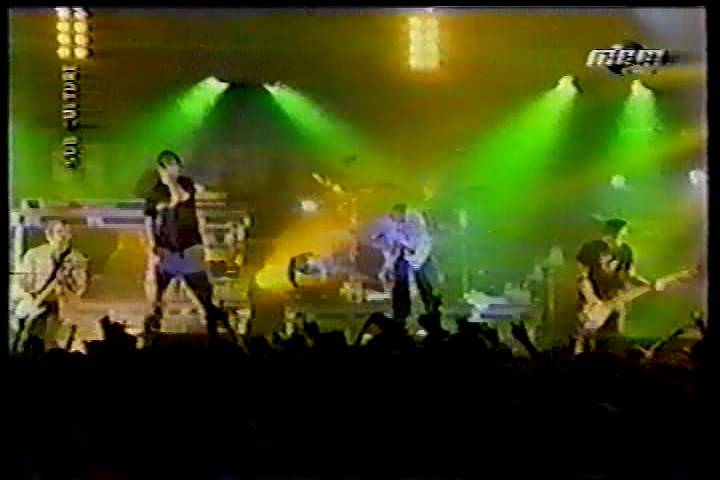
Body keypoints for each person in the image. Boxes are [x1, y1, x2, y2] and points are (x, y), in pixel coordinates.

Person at [143, 150, 236, 343]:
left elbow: (179, 198)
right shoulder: (155, 192)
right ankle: (153, 331)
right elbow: (149, 219)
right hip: (167, 250)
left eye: (177, 166)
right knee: (157, 295)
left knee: (203, 294)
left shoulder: (185, 183)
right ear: (161, 168)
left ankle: (217, 330)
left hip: (190, 249)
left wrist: (171, 182)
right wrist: (153, 244)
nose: (175, 169)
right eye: (171, 166)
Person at [574, 219, 661, 353]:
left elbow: (631, 275)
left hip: (616, 301)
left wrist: (649, 284)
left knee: (613, 341)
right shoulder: (591, 248)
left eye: (622, 235)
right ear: (606, 234)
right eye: (615, 235)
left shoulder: (626, 251)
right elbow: (582, 277)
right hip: (592, 303)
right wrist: (591, 299)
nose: (619, 239)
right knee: (587, 340)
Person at [11, 220, 88, 352]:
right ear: (49, 235)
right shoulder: (34, 255)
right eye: (60, 231)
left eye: (67, 232)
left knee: (56, 344)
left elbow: (80, 287)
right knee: (27, 343)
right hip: (34, 307)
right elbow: (21, 283)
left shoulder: (77, 258)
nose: (64, 236)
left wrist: (67, 284)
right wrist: (31, 299)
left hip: (61, 309)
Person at [373, 204, 441, 323]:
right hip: (408, 255)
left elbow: (415, 242)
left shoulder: (415, 222)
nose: (392, 218)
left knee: (424, 285)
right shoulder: (399, 225)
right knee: (401, 284)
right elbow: (397, 243)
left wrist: (402, 243)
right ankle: (401, 313)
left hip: (420, 255)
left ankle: (431, 311)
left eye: (394, 215)